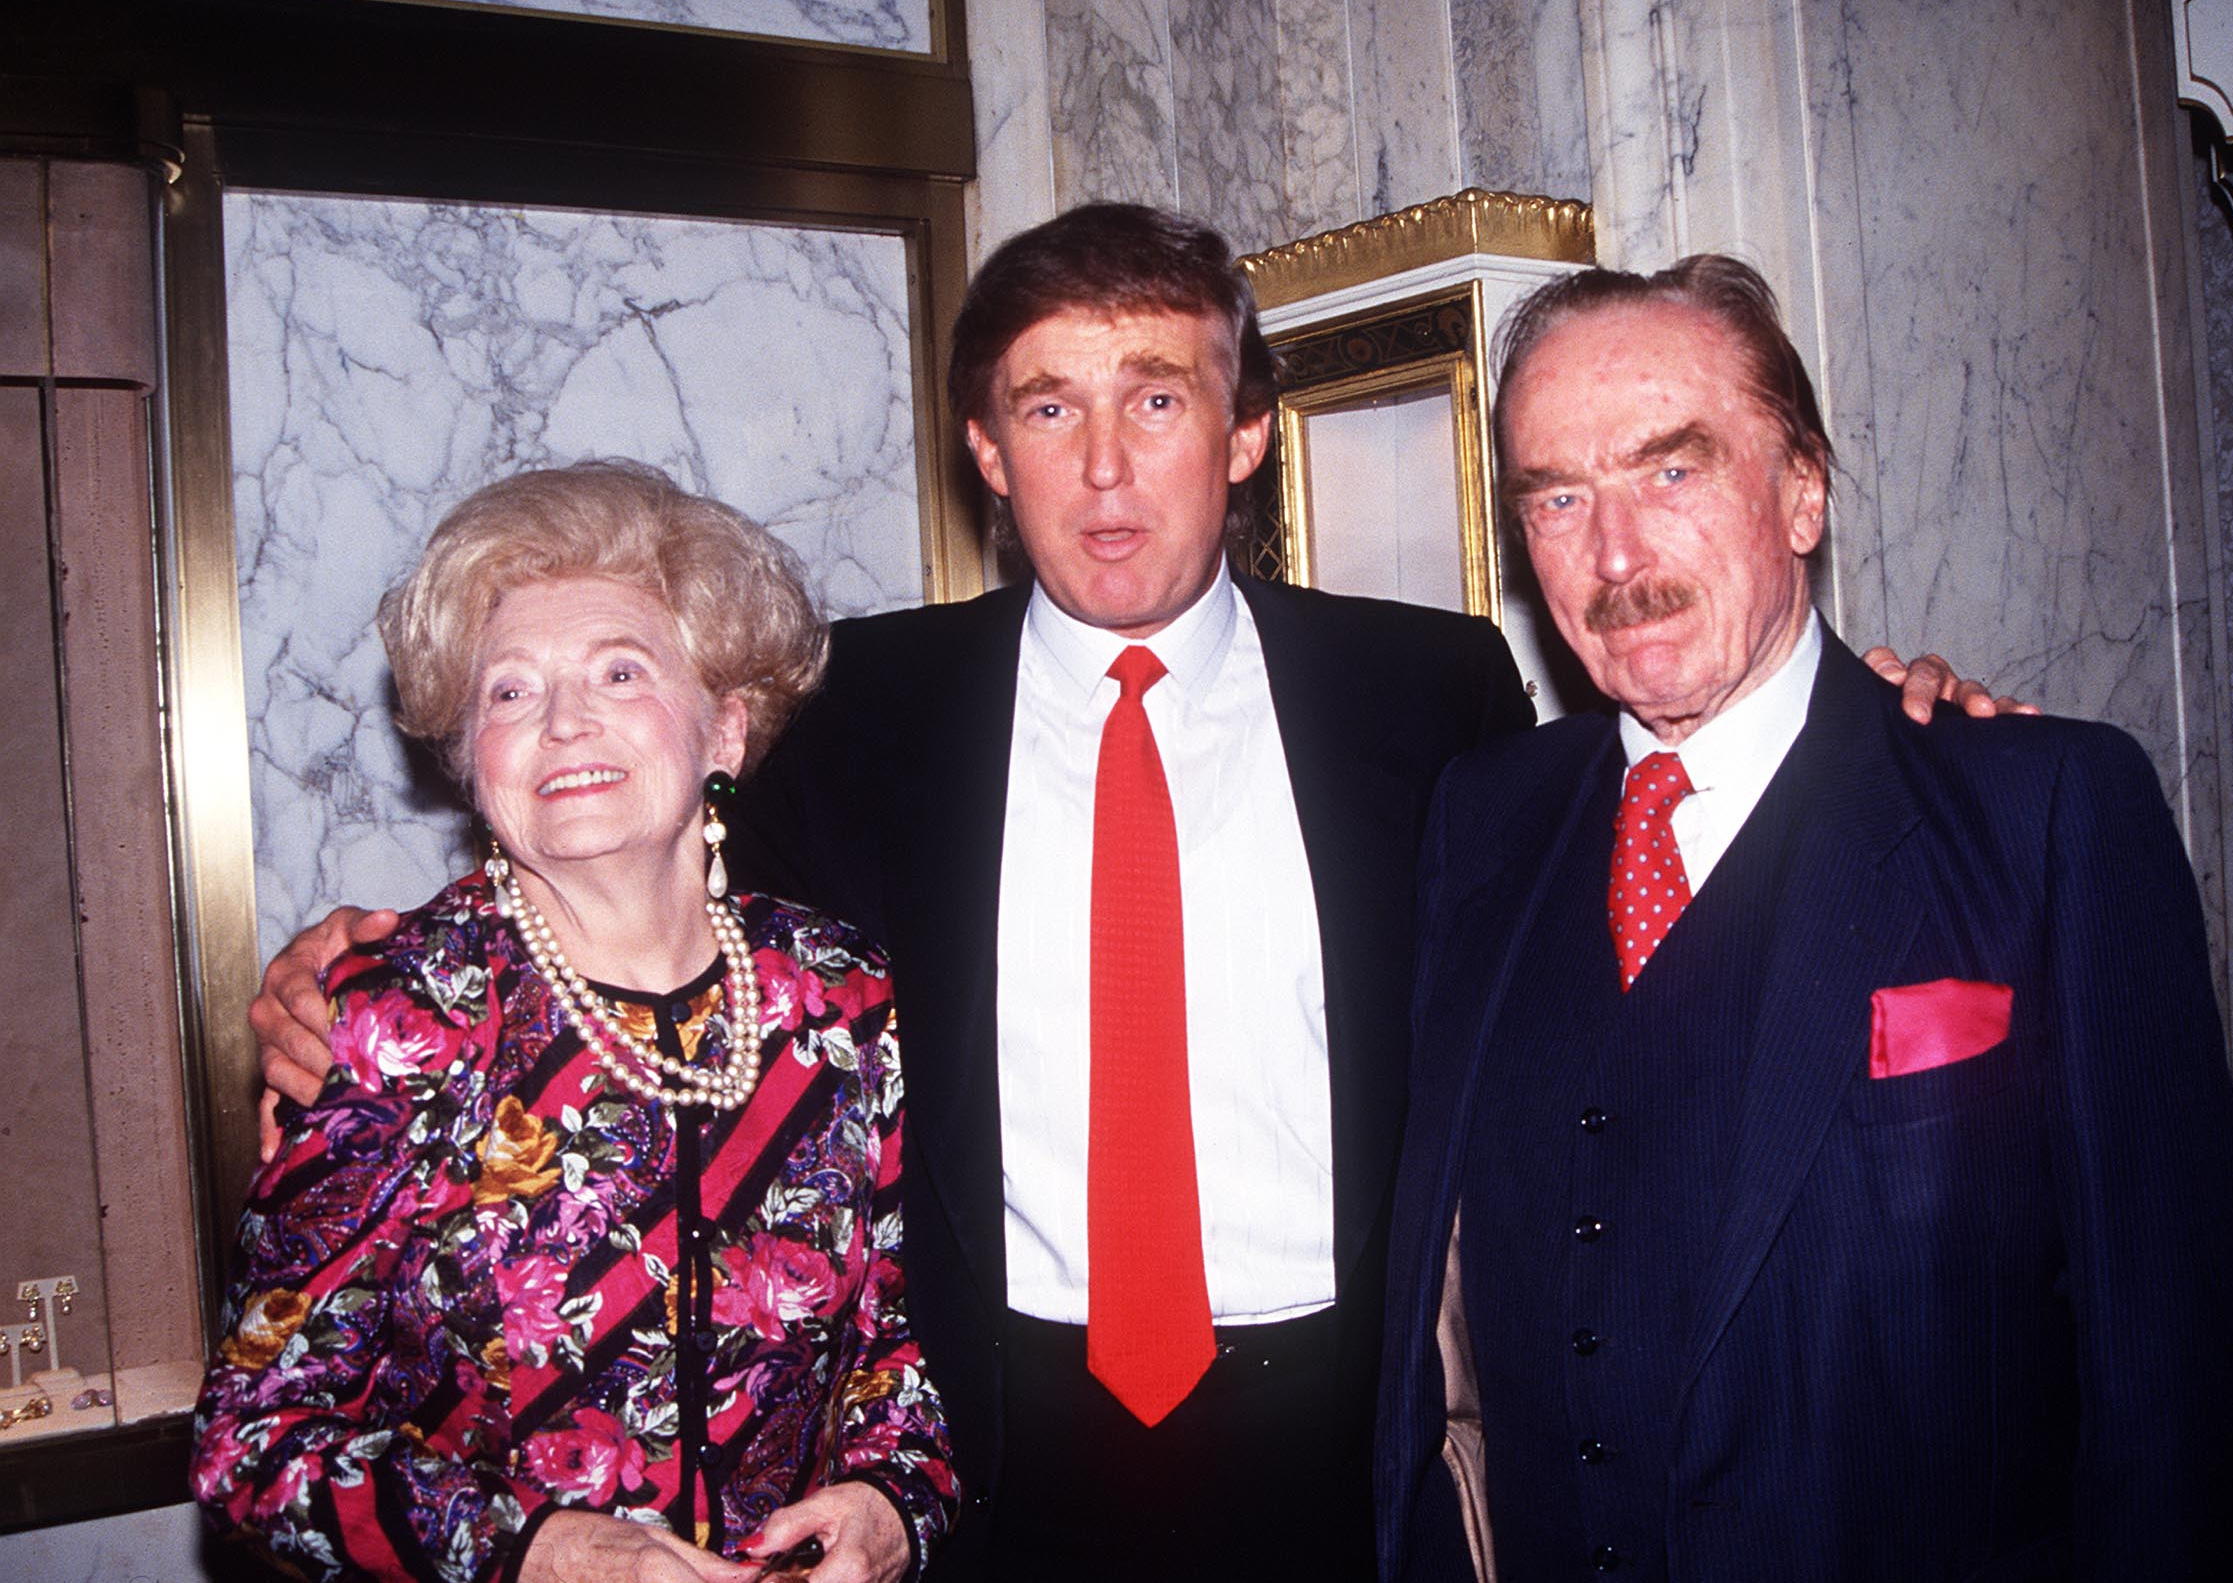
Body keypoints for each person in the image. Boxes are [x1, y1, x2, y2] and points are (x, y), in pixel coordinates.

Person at [247, 209, 2006, 1581]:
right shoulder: (850, 711)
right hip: (987, 1457)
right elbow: (618, 864)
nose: (1104, 465)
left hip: (1354, 1445)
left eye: (1157, 398)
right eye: (1048, 407)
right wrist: (345, 964)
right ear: (982, 447)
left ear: (1244, 435)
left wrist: (1886, 722)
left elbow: (1663, 832)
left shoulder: (1432, 689)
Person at [1373, 257, 2233, 1581]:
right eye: (1558, 496)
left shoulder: (2041, 811)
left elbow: (2176, 1371)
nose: (1615, 554)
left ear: (1802, 491)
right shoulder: (1482, 820)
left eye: (1671, 471)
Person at [193, 462, 955, 1583]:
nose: (562, 721)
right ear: (470, 758)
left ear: (724, 730)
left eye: (619, 670)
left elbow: (909, 1333)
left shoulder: (842, 995)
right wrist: (545, 1552)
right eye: (510, 692)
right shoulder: (398, 1017)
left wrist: (896, 1502)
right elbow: (251, 1440)